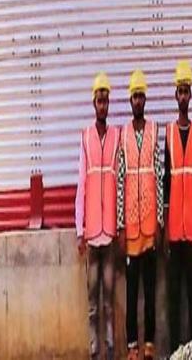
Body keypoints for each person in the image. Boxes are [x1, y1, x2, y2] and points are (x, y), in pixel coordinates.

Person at [117, 68, 164, 360]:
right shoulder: (122, 135)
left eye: (141, 96)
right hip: (131, 228)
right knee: (131, 292)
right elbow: (121, 181)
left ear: (145, 100)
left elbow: (158, 176)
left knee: (150, 290)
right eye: (134, 96)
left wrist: (159, 220)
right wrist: (121, 225)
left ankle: (149, 346)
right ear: (130, 100)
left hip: (149, 226)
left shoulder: (154, 131)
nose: (137, 101)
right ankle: (132, 347)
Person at [75, 72, 120, 360]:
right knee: (93, 301)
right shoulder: (86, 137)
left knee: (108, 300)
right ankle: (94, 349)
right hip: (92, 234)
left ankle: (111, 347)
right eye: (99, 101)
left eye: (106, 101)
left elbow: (122, 183)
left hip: (111, 233)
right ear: (94, 104)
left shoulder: (117, 136)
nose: (102, 106)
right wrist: (80, 229)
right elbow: (82, 185)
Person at [164, 59, 192, 352]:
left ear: (190, 96)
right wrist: (164, 226)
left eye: (186, 91)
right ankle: (177, 351)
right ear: (175, 95)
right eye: (179, 91)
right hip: (173, 230)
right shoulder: (167, 133)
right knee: (173, 293)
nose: (183, 96)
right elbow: (165, 181)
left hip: (191, 227)